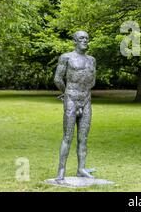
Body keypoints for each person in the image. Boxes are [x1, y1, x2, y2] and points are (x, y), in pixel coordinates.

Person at [54, 31, 96, 181]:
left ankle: (81, 169)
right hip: (71, 98)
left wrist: (83, 92)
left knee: (83, 138)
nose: (85, 40)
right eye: (81, 38)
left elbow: (92, 81)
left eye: (87, 38)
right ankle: (61, 171)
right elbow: (58, 79)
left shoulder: (92, 60)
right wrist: (67, 93)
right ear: (75, 41)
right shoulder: (66, 57)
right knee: (67, 136)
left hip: (86, 100)